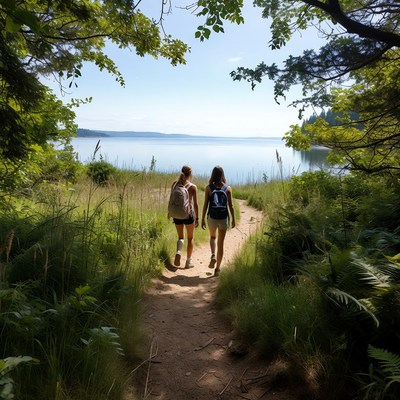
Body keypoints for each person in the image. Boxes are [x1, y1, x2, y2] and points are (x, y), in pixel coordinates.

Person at [201, 165, 235, 276]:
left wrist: (202, 219)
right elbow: (231, 206)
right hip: (223, 218)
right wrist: (233, 219)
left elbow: (205, 205)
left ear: (213, 175)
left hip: (212, 217)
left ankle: (213, 255)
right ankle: (218, 269)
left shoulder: (209, 188)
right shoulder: (228, 188)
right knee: (221, 243)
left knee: (212, 237)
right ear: (222, 175)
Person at [168, 165, 199, 268]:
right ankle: (188, 262)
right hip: (189, 215)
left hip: (177, 214)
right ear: (190, 174)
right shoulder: (193, 187)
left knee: (181, 237)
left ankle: (178, 252)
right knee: (190, 238)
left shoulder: (175, 184)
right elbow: (195, 205)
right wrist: (197, 218)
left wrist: (169, 212)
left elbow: (171, 200)